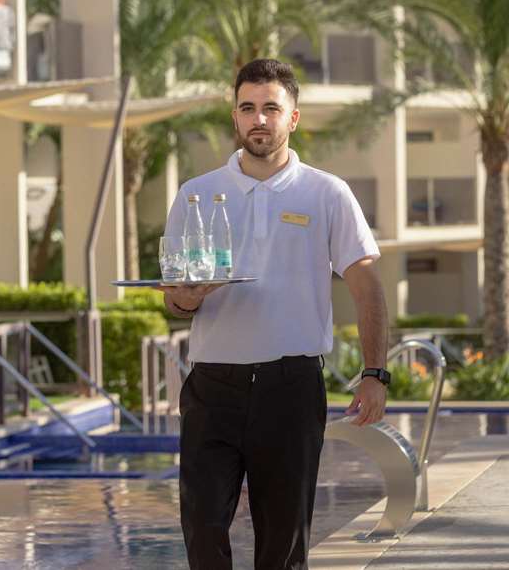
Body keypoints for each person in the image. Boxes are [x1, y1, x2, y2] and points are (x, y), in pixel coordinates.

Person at [159, 58, 389, 570]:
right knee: (202, 529)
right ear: (235, 117)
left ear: (293, 118)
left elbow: (367, 287)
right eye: (247, 108)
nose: (258, 119)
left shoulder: (327, 193)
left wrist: (375, 372)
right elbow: (174, 300)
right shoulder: (196, 194)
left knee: (284, 543)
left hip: (291, 388)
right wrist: (187, 299)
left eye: (271, 108)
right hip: (212, 386)